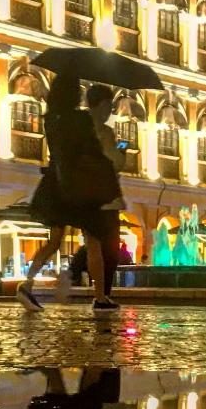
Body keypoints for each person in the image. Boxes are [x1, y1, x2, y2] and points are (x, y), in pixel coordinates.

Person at [17, 74, 118, 312]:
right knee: (93, 240)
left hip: (55, 182)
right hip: (80, 184)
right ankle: (101, 297)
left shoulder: (50, 119)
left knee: (53, 241)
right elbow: (92, 151)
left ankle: (26, 284)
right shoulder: (80, 119)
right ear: (75, 94)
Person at [86, 84, 127, 301]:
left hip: (85, 196)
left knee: (93, 247)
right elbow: (115, 162)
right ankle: (103, 295)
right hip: (107, 198)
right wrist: (122, 150)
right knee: (109, 251)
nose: (110, 111)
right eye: (109, 106)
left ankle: (99, 294)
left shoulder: (79, 129)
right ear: (101, 105)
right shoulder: (104, 132)